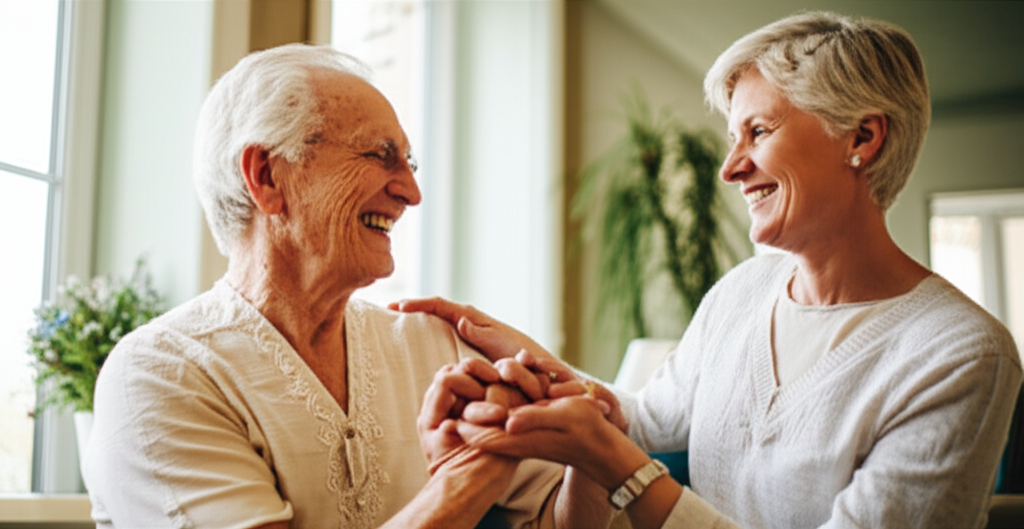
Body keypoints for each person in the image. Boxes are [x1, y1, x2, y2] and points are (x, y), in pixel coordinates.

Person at [399, 11, 1024, 529]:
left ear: (862, 138)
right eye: (732, 138)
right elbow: (643, 418)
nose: (730, 168)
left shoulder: (962, 356)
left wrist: (618, 466)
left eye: (758, 131)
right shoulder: (743, 291)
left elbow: (621, 446)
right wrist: (532, 361)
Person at [82, 43, 572, 529]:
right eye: (380, 155)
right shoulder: (160, 375)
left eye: (409, 162)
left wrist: (590, 439)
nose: (410, 192)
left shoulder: (433, 346)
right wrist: (473, 473)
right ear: (267, 176)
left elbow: (556, 515)